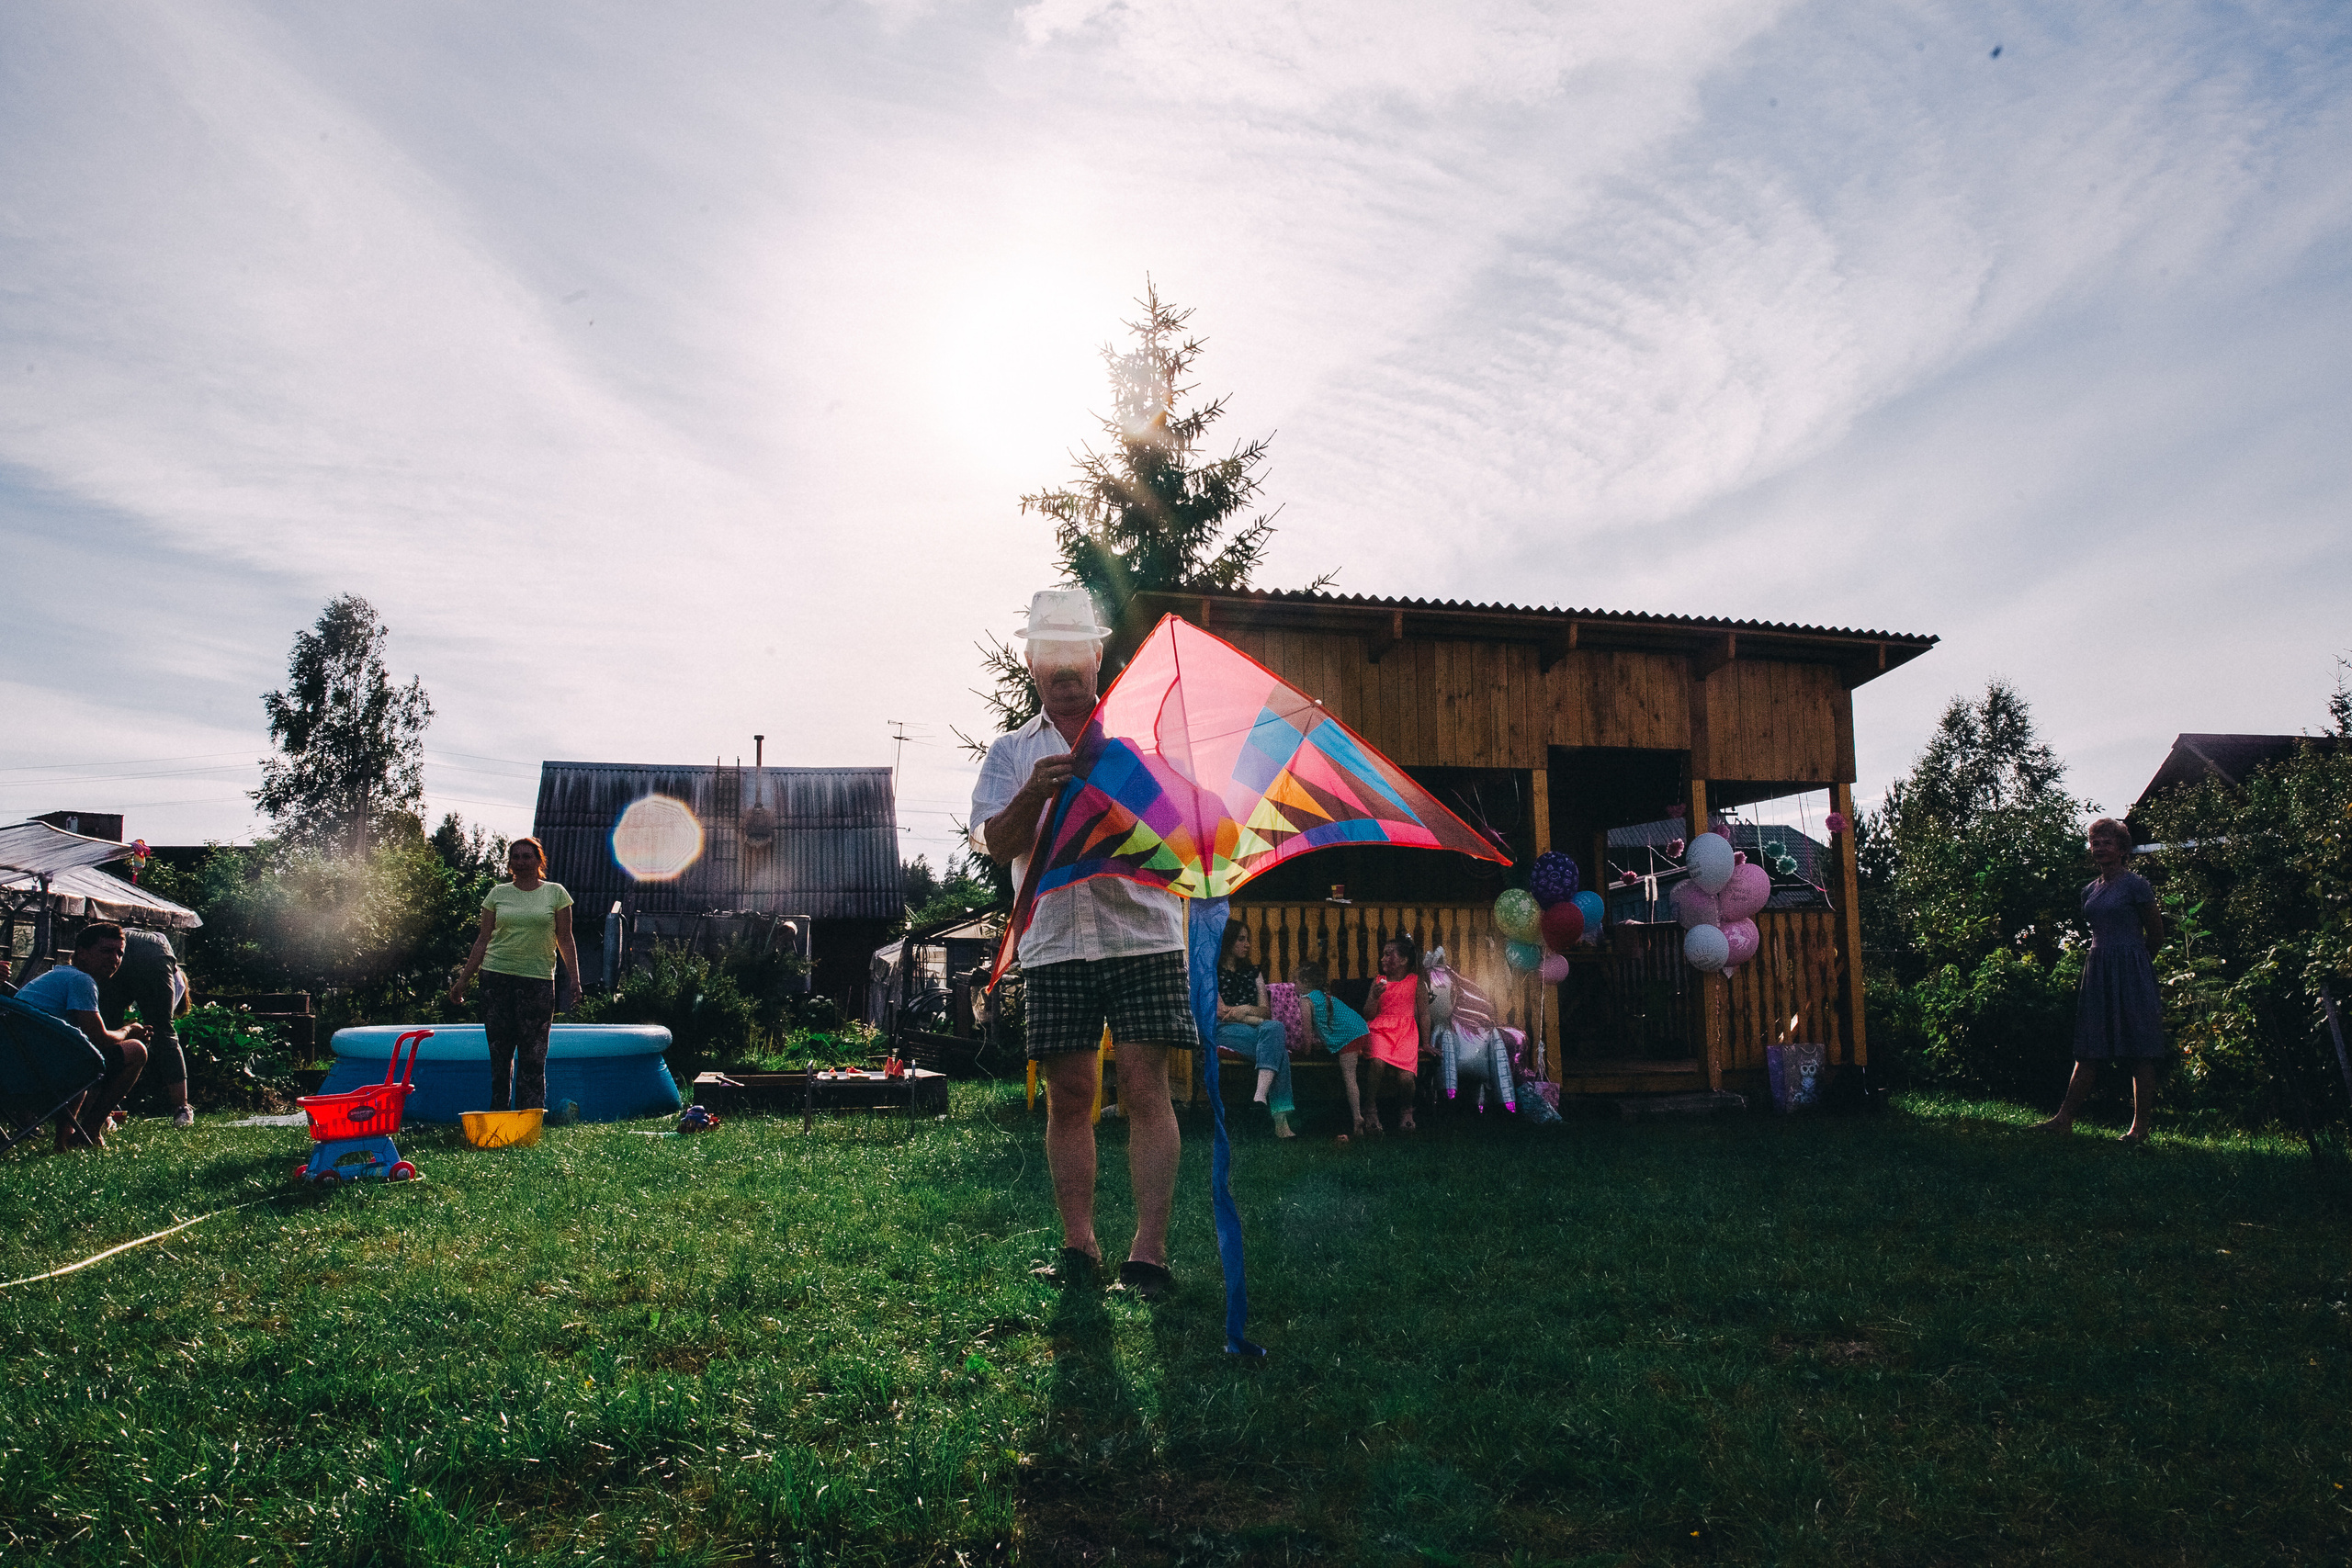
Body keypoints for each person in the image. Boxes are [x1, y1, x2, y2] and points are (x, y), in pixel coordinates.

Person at [970, 588, 1193, 1300]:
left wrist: (1129, 794)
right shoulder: (1012, 753)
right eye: (1050, 653)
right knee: (1069, 1096)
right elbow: (993, 842)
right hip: (1055, 942)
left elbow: (1183, 838)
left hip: (1143, 934)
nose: (1065, 667)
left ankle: (1148, 1253)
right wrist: (1033, 795)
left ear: (1097, 655)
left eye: (1076, 651)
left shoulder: (1139, 742)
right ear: (1031, 661)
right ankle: (1079, 1247)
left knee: (1145, 1088)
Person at [2035, 818, 2166, 1145]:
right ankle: (2063, 1120)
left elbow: (2156, 933)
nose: (2100, 847)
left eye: (2107, 842)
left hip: (2132, 970)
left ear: (2122, 849)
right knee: (2089, 1047)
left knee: (2140, 1049)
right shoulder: (2089, 890)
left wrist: (2136, 964)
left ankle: (2140, 1129)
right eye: (2095, 842)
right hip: (2099, 968)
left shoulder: (2136, 885)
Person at [447, 837, 580, 1112]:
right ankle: (499, 1114)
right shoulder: (497, 894)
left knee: (534, 1055)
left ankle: (529, 1117)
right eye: (515, 857)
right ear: (509, 863)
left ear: (539, 861)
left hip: (538, 980)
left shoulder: (556, 893)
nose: (521, 862)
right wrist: (463, 981)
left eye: (527, 856)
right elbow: (482, 940)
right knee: (500, 1054)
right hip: (496, 978)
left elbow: (565, 939)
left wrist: (575, 979)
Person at [15, 921, 149, 1150]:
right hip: (41, 1075)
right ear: (82, 953)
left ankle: (65, 1137)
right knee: (136, 1050)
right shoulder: (81, 980)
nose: (115, 959)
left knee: (81, 1052)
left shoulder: (57, 976)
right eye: (106, 951)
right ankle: (90, 1131)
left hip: (18, 1070)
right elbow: (99, 1039)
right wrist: (129, 1030)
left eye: (120, 953)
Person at [98, 928, 194, 1127]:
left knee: (107, 1031)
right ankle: (182, 1109)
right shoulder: (176, 981)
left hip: (123, 945)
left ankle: (103, 1111)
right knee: (165, 1033)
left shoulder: (139, 948)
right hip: (152, 952)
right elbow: (161, 1022)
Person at [1216, 921, 1295, 1139]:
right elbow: (1222, 1012)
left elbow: (1266, 1012)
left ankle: (1260, 1095)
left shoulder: (1254, 973)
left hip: (1256, 1028)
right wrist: (1254, 1018)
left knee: (1275, 1026)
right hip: (1225, 1030)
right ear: (1227, 941)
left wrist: (1244, 1010)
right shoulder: (1212, 971)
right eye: (1241, 939)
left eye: (1247, 939)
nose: (1248, 944)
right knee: (1278, 1050)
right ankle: (1281, 1122)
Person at [1362, 934, 1430, 1134]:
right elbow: (1368, 1014)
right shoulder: (1379, 981)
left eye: (1388, 954)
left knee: (1406, 1078)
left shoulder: (1415, 982)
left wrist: (1426, 1043)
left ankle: (1406, 1110)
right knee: (1377, 1063)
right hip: (1379, 1029)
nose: (1383, 959)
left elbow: (1424, 1014)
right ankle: (1370, 1108)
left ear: (1404, 960)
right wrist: (1374, 997)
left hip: (1405, 1033)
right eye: (1383, 954)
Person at [1293, 958, 1370, 1133]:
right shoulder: (1323, 996)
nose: (1294, 986)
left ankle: (1357, 1117)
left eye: (1296, 982)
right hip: (1361, 1029)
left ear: (1305, 982)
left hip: (1350, 1036)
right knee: (1352, 1071)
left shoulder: (1305, 999)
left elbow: (1307, 1032)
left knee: (1349, 1076)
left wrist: (1306, 1052)